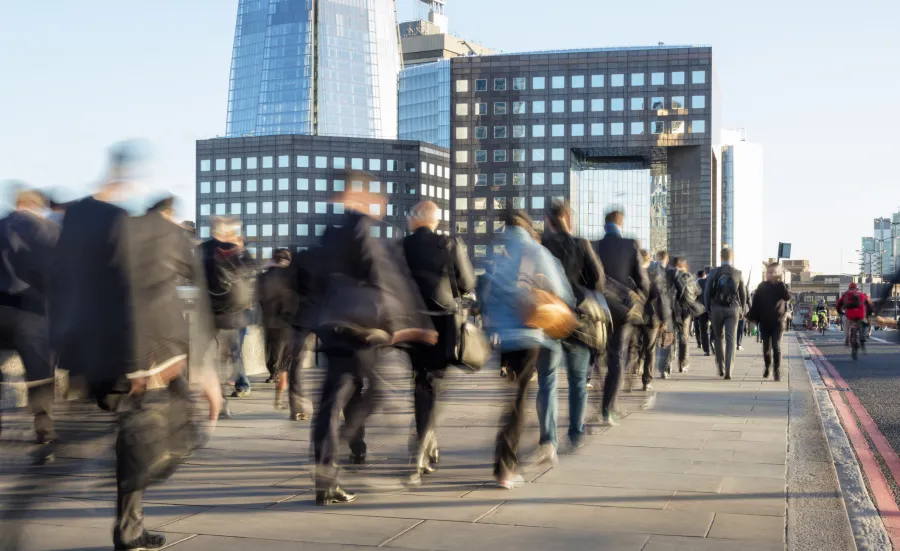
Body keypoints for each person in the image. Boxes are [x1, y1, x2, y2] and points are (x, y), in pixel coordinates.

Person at [49, 157, 216, 550]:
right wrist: (201, 368)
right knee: (174, 433)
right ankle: (129, 489)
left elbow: (64, 294)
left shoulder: (87, 233)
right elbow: (188, 305)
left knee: (136, 436)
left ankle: (129, 523)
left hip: (103, 359)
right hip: (147, 363)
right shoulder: (155, 235)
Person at [312, 187, 436, 505]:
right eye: (376, 198)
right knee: (372, 395)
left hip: (330, 327)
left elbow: (310, 276)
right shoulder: (363, 234)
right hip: (358, 333)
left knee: (332, 401)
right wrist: (408, 328)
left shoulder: (330, 233)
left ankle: (326, 472)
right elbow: (384, 283)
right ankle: (335, 454)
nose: (382, 204)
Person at [482, 208, 573, 488]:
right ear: (526, 226)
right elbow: (562, 292)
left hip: (504, 338)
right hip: (529, 333)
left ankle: (504, 460)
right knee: (519, 400)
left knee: (511, 398)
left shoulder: (500, 256)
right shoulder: (536, 251)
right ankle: (506, 469)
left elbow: (486, 295)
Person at [402, 200, 475, 479]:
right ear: (435, 220)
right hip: (441, 322)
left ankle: (425, 439)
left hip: (410, 322)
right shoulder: (449, 243)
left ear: (417, 217)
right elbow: (467, 283)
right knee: (432, 384)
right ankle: (424, 442)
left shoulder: (401, 246)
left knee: (420, 380)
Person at [534, 200, 603, 465]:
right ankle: (575, 434)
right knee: (577, 381)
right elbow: (599, 280)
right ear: (566, 217)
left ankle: (548, 441)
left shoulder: (541, 247)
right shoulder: (581, 244)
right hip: (577, 320)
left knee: (547, 380)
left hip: (548, 321)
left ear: (548, 220)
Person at [0, 187, 59, 449]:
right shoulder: (47, 231)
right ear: (37, 206)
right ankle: (44, 428)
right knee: (39, 371)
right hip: (33, 312)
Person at [593, 211, 650, 425]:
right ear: (620, 223)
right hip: (622, 310)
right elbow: (642, 279)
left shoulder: (595, 245)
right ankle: (608, 409)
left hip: (598, 308)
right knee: (617, 357)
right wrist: (641, 298)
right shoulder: (630, 245)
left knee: (597, 353)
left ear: (605, 224)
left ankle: (599, 388)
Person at [200, 216, 256, 403]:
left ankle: (232, 388)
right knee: (230, 352)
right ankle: (233, 388)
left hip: (223, 310)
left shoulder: (206, 249)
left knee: (226, 353)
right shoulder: (233, 250)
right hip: (228, 310)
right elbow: (250, 275)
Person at [256, 248, 297, 406]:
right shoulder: (291, 276)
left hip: (269, 320)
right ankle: (281, 382)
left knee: (272, 349)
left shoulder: (263, 277)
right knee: (287, 356)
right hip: (287, 322)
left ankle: (275, 374)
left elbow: (257, 296)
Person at [704, 247, 748, 380]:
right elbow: (743, 294)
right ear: (732, 257)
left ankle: (721, 367)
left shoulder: (714, 272)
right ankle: (729, 369)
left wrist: (708, 309)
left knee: (718, 338)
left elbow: (707, 292)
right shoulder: (738, 273)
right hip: (732, 309)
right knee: (731, 339)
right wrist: (742, 309)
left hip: (716, 308)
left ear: (720, 257)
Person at [749, 263, 791, 381]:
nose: (770, 274)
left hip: (779, 321)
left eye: (773, 272)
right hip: (764, 321)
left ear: (778, 274)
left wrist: (782, 283)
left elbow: (787, 297)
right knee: (766, 347)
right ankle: (768, 367)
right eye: (768, 272)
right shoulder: (762, 286)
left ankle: (776, 371)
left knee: (776, 346)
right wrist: (753, 318)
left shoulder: (782, 286)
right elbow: (755, 303)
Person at [636, 249, 671, 387]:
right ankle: (647, 381)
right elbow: (661, 300)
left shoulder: (630, 277)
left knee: (635, 344)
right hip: (651, 318)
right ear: (649, 260)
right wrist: (664, 319)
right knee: (650, 349)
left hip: (634, 317)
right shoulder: (653, 277)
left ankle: (637, 363)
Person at [664, 257, 701, 375]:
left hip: (670, 310)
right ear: (683, 265)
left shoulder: (666, 275)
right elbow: (697, 292)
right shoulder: (688, 276)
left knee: (670, 337)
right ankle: (683, 364)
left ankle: (667, 364)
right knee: (684, 338)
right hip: (685, 311)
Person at [837, 283, 872, 348]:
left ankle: (847, 338)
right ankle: (862, 335)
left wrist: (840, 312)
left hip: (849, 315)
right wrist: (869, 312)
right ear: (856, 289)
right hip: (860, 314)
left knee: (846, 323)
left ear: (849, 288)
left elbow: (838, 304)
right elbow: (868, 304)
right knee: (863, 322)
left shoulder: (846, 294)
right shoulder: (861, 294)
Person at [694, 270, 710, 354]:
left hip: (701, 308)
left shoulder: (698, 282)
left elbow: (694, 296)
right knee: (717, 328)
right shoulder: (714, 281)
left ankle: (706, 350)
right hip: (712, 307)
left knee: (703, 330)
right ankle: (713, 340)